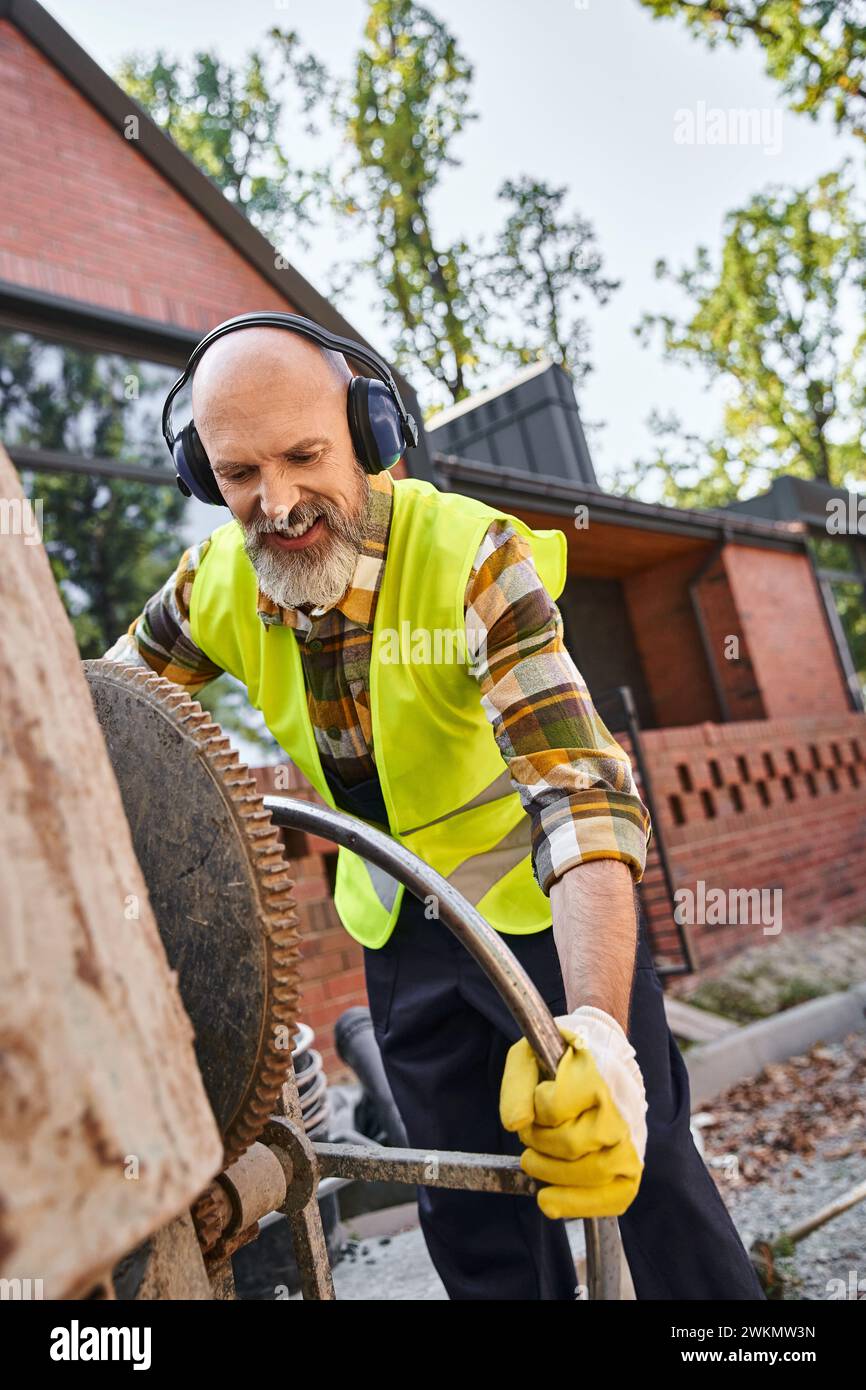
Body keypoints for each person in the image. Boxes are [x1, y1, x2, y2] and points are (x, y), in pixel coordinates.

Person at [106, 317, 764, 1300]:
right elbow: (98, 718)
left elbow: (581, 796)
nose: (274, 503)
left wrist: (595, 1031)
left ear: (373, 433)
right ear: (202, 476)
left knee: (639, 1166)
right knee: (464, 1209)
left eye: (302, 456)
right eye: (238, 472)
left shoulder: (470, 558)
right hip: (401, 930)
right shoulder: (215, 586)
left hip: (543, 915)